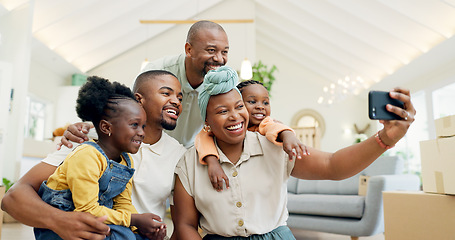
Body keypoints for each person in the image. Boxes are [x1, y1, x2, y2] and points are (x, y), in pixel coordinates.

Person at [172, 66, 416, 239]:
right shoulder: (189, 163)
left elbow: (333, 166)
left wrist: (384, 139)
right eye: (223, 111)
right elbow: (185, 225)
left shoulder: (275, 145)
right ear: (206, 122)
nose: (235, 115)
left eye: (239, 106)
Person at [2, 70, 187, 240]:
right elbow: (13, 198)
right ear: (139, 100)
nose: (176, 101)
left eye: (180, 97)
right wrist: (60, 221)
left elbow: (182, 225)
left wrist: (146, 228)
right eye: (166, 93)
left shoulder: (179, 155)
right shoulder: (86, 139)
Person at [34, 76, 150, 239]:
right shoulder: (86, 155)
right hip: (64, 227)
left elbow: (123, 204)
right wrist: (133, 219)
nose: (142, 133)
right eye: (134, 125)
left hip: (96, 218)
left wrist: (140, 227)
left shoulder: (125, 160)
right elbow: (87, 209)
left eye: (143, 126)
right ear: (106, 127)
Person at [195, 80, 309, 191]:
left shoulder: (265, 123)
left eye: (265, 102)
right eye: (252, 102)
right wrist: (212, 162)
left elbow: (275, 128)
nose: (260, 106)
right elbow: (203, 138)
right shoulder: (221, 132)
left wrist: (288, 135)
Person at [139, 20, 229, 148]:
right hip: (149, 149)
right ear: (189, 49)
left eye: (224, 52)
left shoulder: (224, 83)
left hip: (193, 153)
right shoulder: (156, 72)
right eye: (211, 50)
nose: (219, 59)